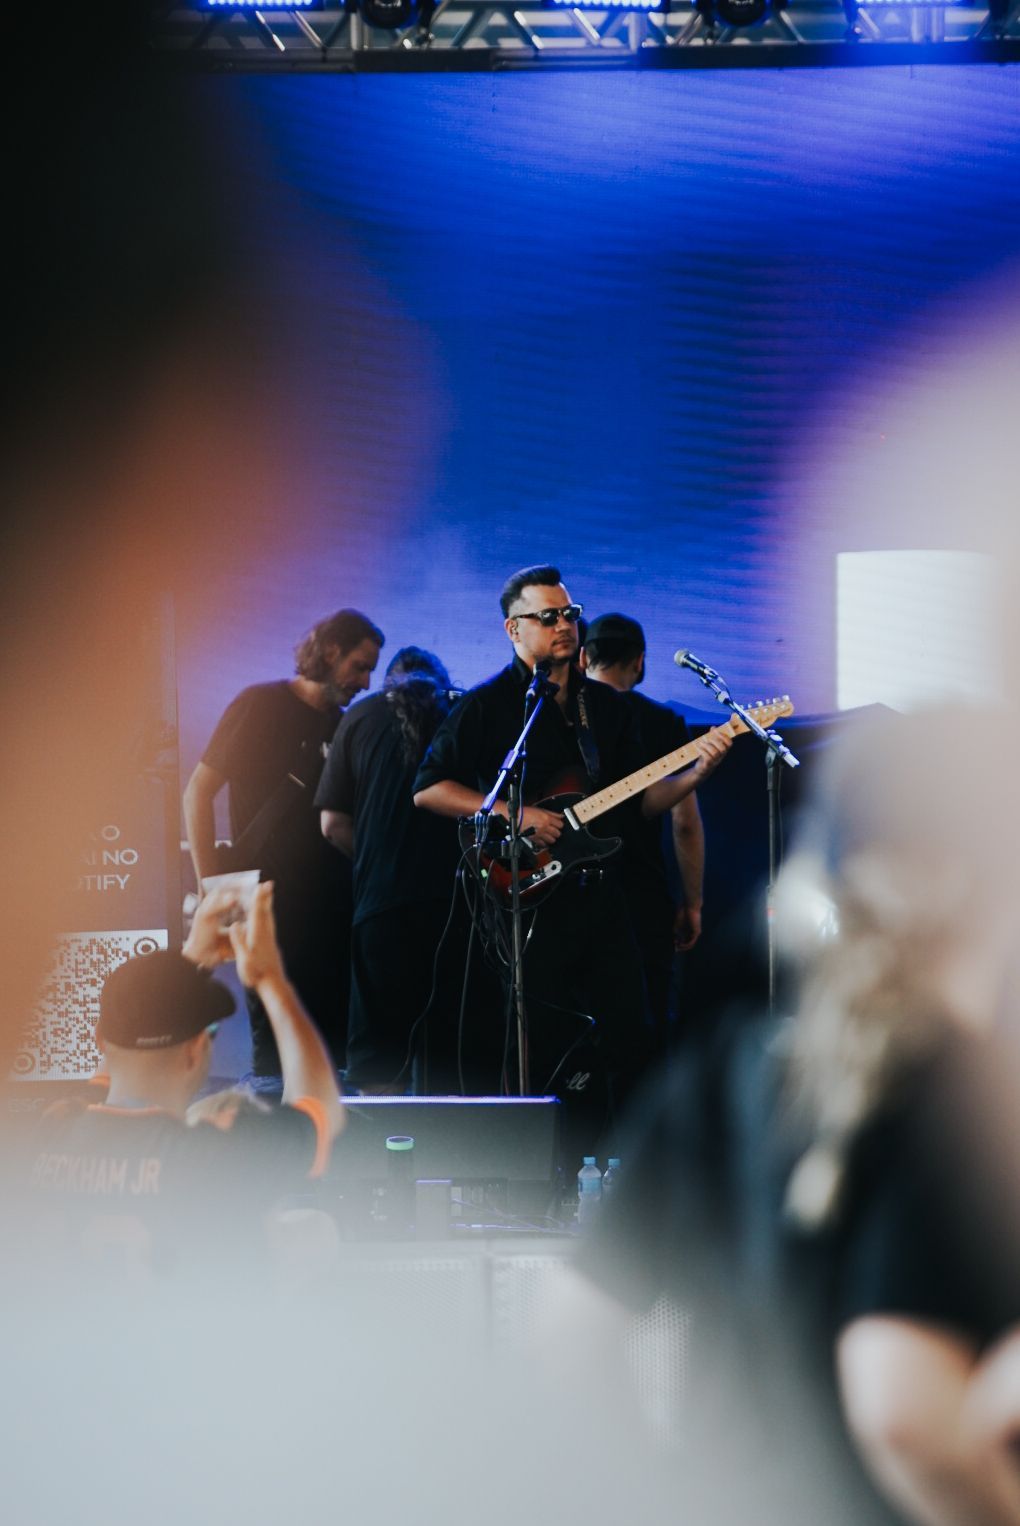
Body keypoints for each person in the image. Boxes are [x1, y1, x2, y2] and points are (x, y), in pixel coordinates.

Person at [412, 565, 731, 1122]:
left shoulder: (607, 709)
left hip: (602, 898)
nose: (564, 625)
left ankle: (625, 1167)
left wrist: (697, 774)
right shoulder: (487, 707)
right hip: (528, 903)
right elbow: (428, 790)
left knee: (632, 1034)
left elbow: (642, 805)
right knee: (542, 1039)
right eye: (548, 616)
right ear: (514, 630)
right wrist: (519, 814)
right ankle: (545, 1170)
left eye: (570, 614)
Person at [20, 882, 345, 1277]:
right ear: (196, 1050)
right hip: (181, 1337)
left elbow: (99, 1085)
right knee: (315, 1230)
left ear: (99, 1040)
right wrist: (270, 980)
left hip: (66, 1336)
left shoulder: (44, 1134)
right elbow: (320, 1115)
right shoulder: (214, 1156)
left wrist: (191, 965)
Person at [183, 608, 384, 1084]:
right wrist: (212, 887)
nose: (366, 680)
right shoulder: (259, 704)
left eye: (372, 668)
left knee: (330, 1045)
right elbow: (197, 792)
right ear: (330, 652)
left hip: (333, 909)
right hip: (266, 905)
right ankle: (272, 1148)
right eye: (360, 665)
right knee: (273, 1048)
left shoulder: (346, 724)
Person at [316, 646, 463, 1093]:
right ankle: (452, 1156)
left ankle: (383, 1155)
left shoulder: (359, 717)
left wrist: (377, 860)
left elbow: (332, 825)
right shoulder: (461, 711)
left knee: (379, 1058)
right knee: (449, 1056)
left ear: (388, 683)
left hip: (381, 906)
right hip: (457, 909)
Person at [581, 612, 716, 1051]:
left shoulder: (564, 714)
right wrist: (692, 904)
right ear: (639, 662)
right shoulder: (662, 723)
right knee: (646, 1024)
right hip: (639, 892)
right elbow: (685, 822)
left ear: (584, 657)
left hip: (568, 893)